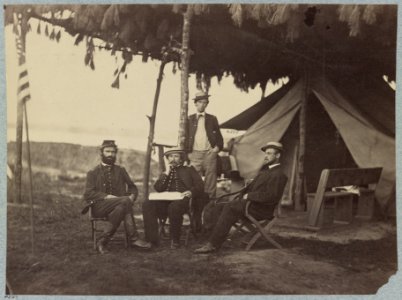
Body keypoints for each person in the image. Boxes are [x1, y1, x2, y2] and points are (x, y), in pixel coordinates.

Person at [194, 142, 288, 254]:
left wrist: (249, 195)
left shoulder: (278, 174)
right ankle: (209, 239)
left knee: (230, 207)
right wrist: (246, 190)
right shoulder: (266, 171)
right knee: (217, 206)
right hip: (253, 205)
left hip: (262, 210)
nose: (266, 156)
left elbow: (271, 196)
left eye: (269, 153)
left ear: (277, 156)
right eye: (265, 154)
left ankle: (213, 244)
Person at [83, 140, 150, 254]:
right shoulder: (93, 172)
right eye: (107, 151)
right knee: (125, 201)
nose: (110, 154)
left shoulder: (121, 170)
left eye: (113, 152)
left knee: (122, 206)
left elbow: (132, 187)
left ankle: (102, 241)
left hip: (120, 206)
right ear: (101, 153)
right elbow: (88, 193)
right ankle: (134, 238)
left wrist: (132, 196)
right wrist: (106, 196)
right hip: (100, 207)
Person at [142, 148, 204, 249]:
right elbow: (158, 188)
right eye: (170, 156)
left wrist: (191, 192)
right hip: (166, 200)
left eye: (176, 156)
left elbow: (200, 185)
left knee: (174, 207)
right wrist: (166, 172)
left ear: (181, 159)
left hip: (183, 200)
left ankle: (175, 240)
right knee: (147, 204)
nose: (173, 159)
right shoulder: (166, 172)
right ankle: (151, 240)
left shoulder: (189, 169)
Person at [187, 91, 224, 199]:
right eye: (200, 102)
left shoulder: (212, 119)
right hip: (194, 154)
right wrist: (187, 154)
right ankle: (195, 207)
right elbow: (184, 138)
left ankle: (209, 207)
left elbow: (219, 138)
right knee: (194, 182)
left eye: (205, 102)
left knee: (211, 182)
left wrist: (216, 149)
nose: (203, 104)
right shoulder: (189, 119)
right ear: (195, 103)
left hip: (209, 154)